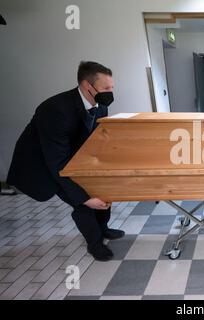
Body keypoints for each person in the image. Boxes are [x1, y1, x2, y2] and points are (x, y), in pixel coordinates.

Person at [7, 61, 125, 261]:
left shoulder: (100, 107)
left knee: (102, 190)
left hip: (73, 159)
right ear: (88, 86)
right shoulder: (55, 109)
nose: (110, 92)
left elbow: (94, 140)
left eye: (112, 87)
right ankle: (95, 245)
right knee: (83, 202)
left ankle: (103, 229)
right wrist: (84, 197)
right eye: (106, 88)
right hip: (45, 163)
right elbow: (56, 162)